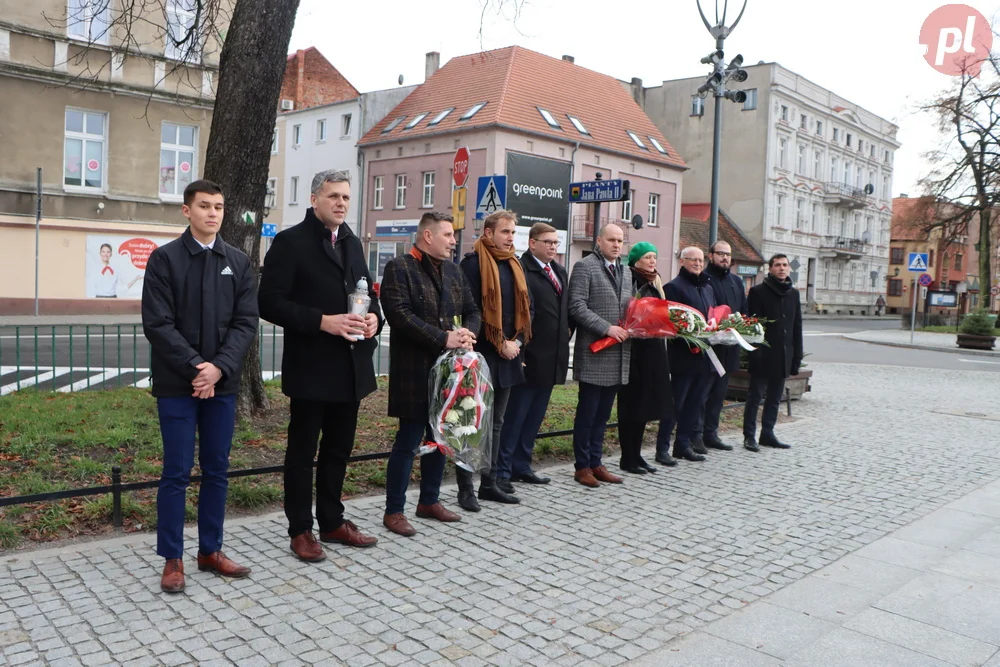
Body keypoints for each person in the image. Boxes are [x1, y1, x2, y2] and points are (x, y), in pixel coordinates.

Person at [258, 169, 383, 563]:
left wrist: (376, 317)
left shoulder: (351, 242)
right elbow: (269, 303)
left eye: (346, 197)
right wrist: (322, 321)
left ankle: (332, 520)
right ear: (314, 199)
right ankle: (300, 529)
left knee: (339, 450)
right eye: (333, 196)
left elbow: (367, 293)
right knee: (302, 453)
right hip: (312, 366)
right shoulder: (290, 242)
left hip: (351, 367)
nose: (341, 203)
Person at [141, 179, 258, 593]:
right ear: (186, 211)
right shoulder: (164, 260)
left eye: (220, 207)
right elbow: (158, 324)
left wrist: (219, 369)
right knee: (176, 471)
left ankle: (210, 550)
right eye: (204, 206)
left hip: (221, 387)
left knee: (217, 469)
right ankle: (172, 558)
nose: (213, 213)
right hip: (177, 386)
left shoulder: (239, 262)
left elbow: (246, 323)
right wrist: (196, 367)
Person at [380, 212, 481, 537]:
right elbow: (399, 315)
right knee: (409, 442)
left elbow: (473, 309)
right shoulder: (399, 267)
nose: (454, 241)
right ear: (427, 236)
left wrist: (467, 333)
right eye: (448, 235)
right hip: (414, 371)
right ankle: (394, 510)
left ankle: (429, 501)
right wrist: (443, 338)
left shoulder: (453, 270)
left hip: (450, 372)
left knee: (440, 438)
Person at [459, 209, 532, 507]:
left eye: (513, 232)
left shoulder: (514, 263)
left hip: (509, 354)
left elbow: (526, 309)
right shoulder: (473, 264)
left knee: (497, 421)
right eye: (505, 232)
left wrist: (515, 343)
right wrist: (499, 342)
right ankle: (466, 488)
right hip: (482, 354)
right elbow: (471, 309)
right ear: (488, 233)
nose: (511, 237)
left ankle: (489, 482)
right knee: (471, 422)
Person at [496, 223, 570, 487]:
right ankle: (502, 471)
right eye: (547, 242)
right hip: (528, 357)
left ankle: (521, 465)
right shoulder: (522, 270)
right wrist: (520, 351)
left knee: (534, 418)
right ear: (533, 243)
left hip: (552, 359)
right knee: (515, 417)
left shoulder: (559, 271)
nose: (552, 246)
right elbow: (518, 314)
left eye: (555, 243)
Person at [567, 224, 631, 488]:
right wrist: (606, 328)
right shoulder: (585, 266)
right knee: (588, 413)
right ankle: (582, 466)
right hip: (594, 353)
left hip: (618, 355)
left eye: (620, 241)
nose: (616, 245)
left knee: (603, 414)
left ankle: (596, 462)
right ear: (599, 241)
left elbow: (628, 305)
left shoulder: (625, 271)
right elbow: (576, 306)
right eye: (612, 240)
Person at [617, 242, 671, 475]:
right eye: (647, 257)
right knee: (631, 405)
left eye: (654, 257)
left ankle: (637, 455)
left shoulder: (654, 282)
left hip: (653, 351)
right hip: (634, 352)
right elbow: (626, 311)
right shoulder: (630, 280)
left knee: (645, 406)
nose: (652, 261)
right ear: (636, 260)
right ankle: (627, 457)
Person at [743, 254, 803, 452]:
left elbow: (797, 327)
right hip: (763, 354)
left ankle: (767, 433)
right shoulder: (758, 292)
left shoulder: (793, 294)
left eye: (785, 265)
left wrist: (797, 356)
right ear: (770, 269)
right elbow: (752, 326)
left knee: (775, 398)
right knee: (755, 397)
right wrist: (755, 353)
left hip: (784, 355)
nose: (782, 268)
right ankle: (749, 436)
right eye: (777, 265)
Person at [664, 247, 718, 463]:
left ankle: (683, 444)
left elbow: (711, 316)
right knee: (676, 404)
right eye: (692, 260)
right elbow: (670, 323)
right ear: (682, 261)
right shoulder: (673, 287)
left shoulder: (707, 287)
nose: (697, 263)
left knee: (694, 404)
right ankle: (662, 448)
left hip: (704, 356)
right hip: (682, 357)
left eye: (700, 260)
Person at [700, 240, 748, 452]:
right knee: (702, 394)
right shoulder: (703, 279)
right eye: (720, 254)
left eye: (728, 254)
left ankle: (711, 434)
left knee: (719, 395)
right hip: (709, 348)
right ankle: (696, 435)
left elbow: (743, 312)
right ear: (710, 255)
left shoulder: (737, 282)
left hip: (729, 349)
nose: (725, 258)